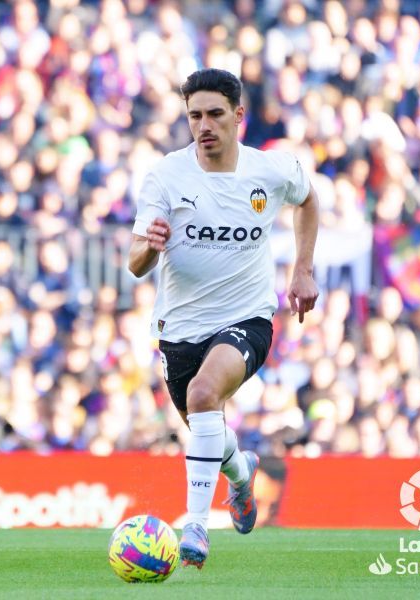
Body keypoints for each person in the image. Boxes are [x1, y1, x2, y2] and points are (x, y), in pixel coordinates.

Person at [128, 68, 319, 569]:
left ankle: (194, 525)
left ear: (238, 115)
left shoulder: (271, 171)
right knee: (205, 425)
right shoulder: (166, 176)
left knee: (204, 394)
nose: (204, 125)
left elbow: (308, 199)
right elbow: (134, 262)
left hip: (248, 318)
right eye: (194, 116)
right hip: (179, 330)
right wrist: (151, 247)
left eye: (214, 114)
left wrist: (302, 269)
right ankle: (240, 473)